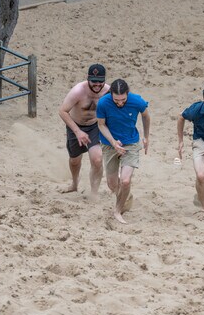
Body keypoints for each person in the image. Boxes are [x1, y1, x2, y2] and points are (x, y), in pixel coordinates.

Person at [96, 79, 150, 224]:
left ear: (128, 94)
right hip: (109, 144)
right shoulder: (103, 103)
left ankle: (118, 210)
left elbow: (145, 115)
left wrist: (146, 136)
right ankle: (126, 196)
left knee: (125, 181)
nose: (120, 103)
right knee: (112, 184)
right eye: (116, 100)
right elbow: (101, 125)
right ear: (111, 95)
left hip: (131, 143)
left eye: (123, 100)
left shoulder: (137, 101)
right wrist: (113, 142)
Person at [58, 64, 110, 198]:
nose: (97, 85)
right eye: (94, 81)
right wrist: (77, 131)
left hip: (94, 126)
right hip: (75, 125)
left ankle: (94, 192)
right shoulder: (78, 91)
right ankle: (74, 184)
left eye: (100, 82)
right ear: (88, 78)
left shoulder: (108, 91)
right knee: (74, 160)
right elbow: (63, 111)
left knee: (97, 159)